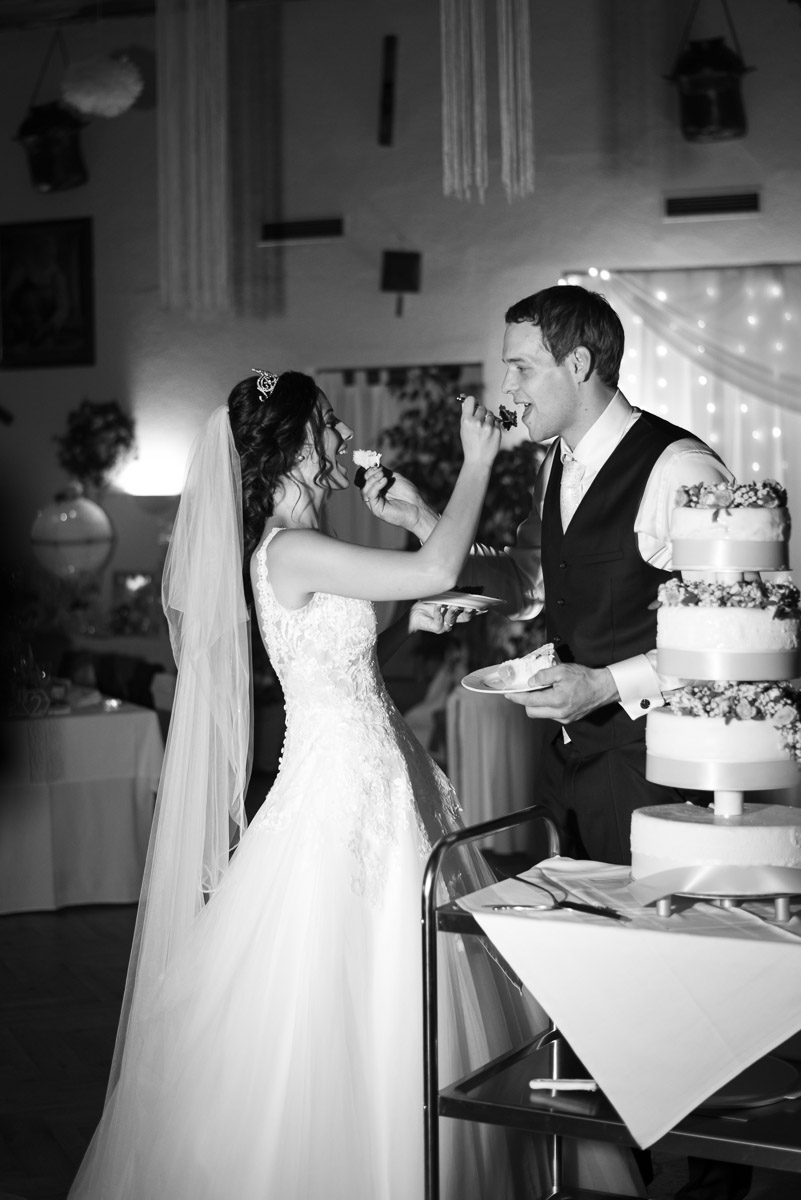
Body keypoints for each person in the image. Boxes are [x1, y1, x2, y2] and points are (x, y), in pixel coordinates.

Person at [67, 368, 642, 1200]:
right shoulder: (287, 547)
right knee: (357, 977)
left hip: (380, 770)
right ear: (296, 445)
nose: (342, 438)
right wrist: (476, 460)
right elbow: (437, 563)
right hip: (341, 788)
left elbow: (342, 653)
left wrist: (410, 621)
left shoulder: (306, 547)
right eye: (329, 425)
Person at [367, 285, 751, 1200]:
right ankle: (622, 1170)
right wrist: (425, 525)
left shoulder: (678, 466)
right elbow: (541, 580)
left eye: (520, 367)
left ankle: (714, 1177)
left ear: (577, 365)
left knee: (677, 976)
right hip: (575, 760)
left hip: (660, 763)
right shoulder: (556, 463)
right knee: (595, 975)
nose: (505, 388)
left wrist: (606, 685)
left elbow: (731, 620)